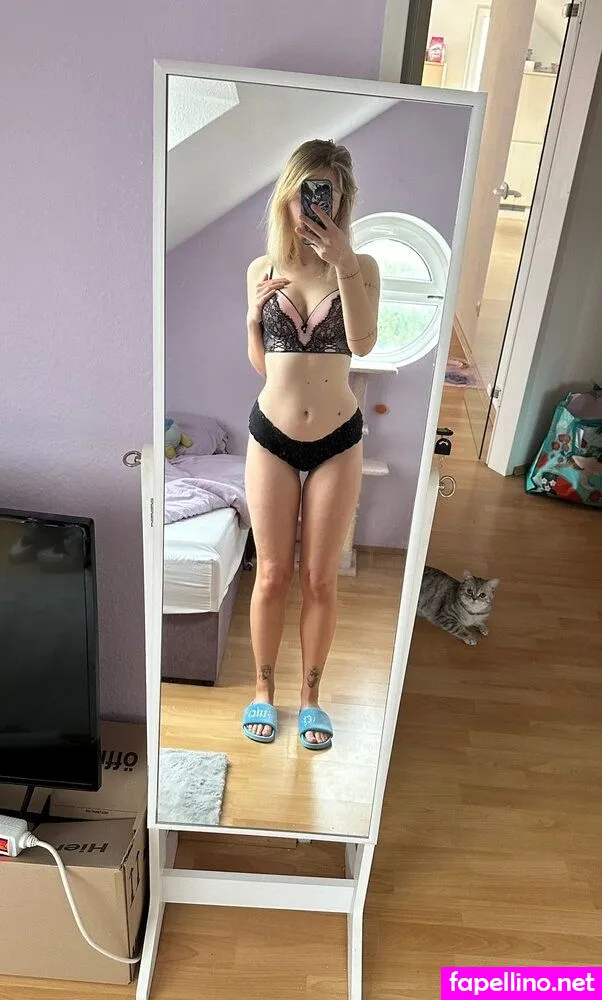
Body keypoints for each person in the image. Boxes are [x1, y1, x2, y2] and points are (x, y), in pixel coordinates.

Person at [241, 139, 380, 750]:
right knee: (272, 574)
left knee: (321, 579)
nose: (316, 205)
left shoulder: (362, 266)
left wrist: (344, 262)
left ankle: (311, 699)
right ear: (288, 196)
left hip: (337, 440)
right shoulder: (261, 268)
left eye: (329, 193)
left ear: (342, 199)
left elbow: (364, 343)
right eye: (306, 192)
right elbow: (262, 365)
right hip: (270, 436)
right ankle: (263, 690)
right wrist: (252, 319)